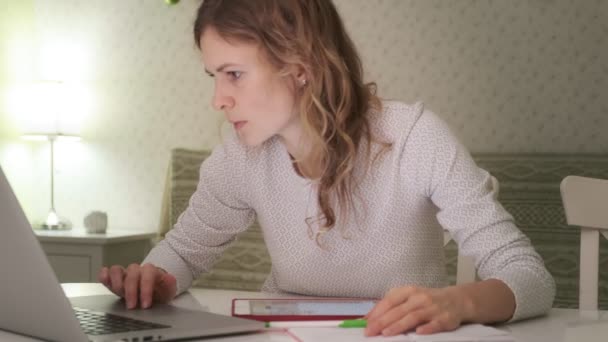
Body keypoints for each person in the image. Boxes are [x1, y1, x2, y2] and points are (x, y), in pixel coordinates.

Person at [99, 0, 555, 337]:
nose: (218, 99)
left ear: (299, 67)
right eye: (213, 76)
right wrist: (153, 280)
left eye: (233, 74)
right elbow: (181, 254)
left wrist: (458, 302)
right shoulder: (240, 156)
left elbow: (529, 277)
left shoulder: (413, 136)